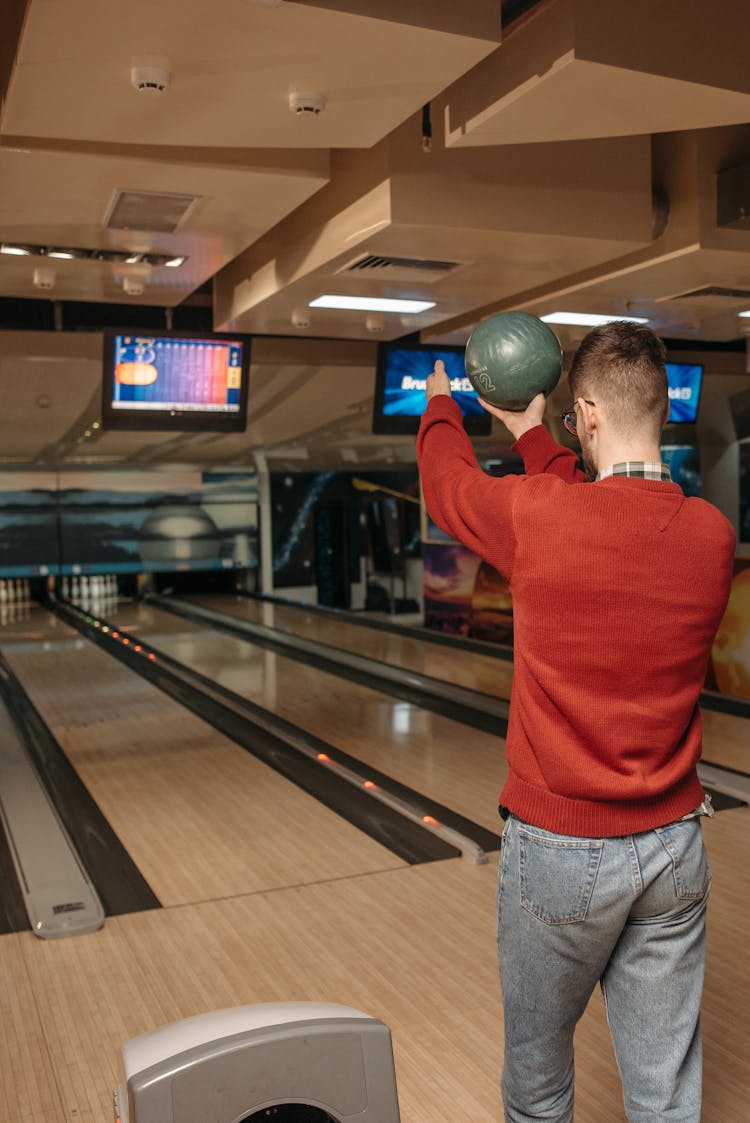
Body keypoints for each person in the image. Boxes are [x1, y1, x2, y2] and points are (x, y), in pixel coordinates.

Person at [416, 321, 735, 1123]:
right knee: (665, 1090)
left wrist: (442, 408)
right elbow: (606, 513)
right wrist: (532, 434)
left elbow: (449, 485)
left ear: (584, 414)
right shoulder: (711, 538)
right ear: (662, 407)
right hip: (673, 850)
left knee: (539, 1081)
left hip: (559, 852)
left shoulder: (538, 519)